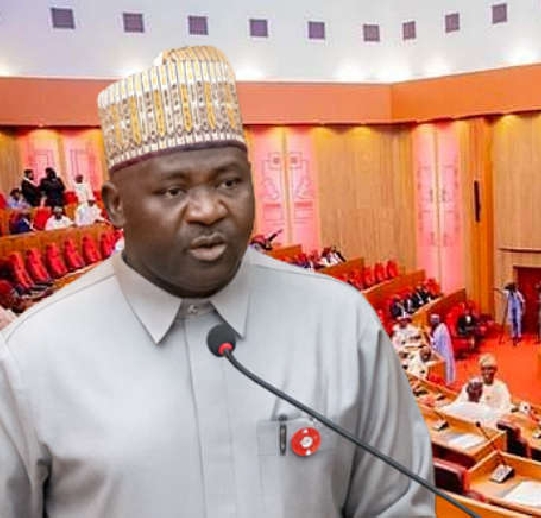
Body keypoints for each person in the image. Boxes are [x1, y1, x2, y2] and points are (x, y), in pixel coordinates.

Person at [0, 46, 434, 517]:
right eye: (174, 190)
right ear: (116, 205)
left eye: (229, 183)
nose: (209, 210)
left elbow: (397, 504)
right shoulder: (31, 359)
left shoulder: (340, 323)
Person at [429, 313, 456, 384]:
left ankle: (447, 382)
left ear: (437, 321)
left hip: (444, 351)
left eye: (434, 320)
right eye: (432, 320)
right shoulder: (436, 328)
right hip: (440, 350)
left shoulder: (441, 328)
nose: (433, 322)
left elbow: (436, 342)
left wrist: (431, 344)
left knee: (446, 366)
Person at [504, 282, 525, 346]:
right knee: (512, 323)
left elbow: (522, 301)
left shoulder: (518, 293)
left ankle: (519, 336)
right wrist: (497, 289)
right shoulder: (508, 293)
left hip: (517, 310)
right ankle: (513, 336)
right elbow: (502, 291)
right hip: (511, 310)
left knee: (517, 323)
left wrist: (523, 310)